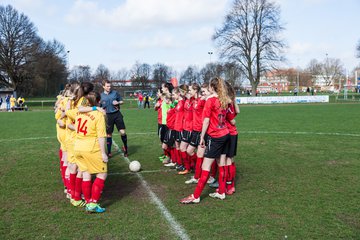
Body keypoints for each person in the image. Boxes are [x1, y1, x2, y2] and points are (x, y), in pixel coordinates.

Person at [180, 77, 230, 204]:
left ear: (212, 87)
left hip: (215, 136)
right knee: (221, 163)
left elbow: (206, 120)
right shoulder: (224, 99)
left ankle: (196, 196)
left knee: (205, 166)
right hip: (225, 134)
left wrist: (202, 137)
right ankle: (221, 192)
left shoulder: (211, 100)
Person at [70, 91, 108, 213]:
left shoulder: (80, 113)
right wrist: (103, 153)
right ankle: (93, 203)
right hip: (91, 148)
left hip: (78, 147)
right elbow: (101, 136)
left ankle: (87, 201)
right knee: (102, 174)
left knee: (86, 173)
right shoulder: (98, 115)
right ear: (97, 101)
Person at [100, 80, 128, 157]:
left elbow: (122, 101)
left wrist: (118, 103)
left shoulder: (115, 93)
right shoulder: (101, 96)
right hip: (108, 116)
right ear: (103, 86)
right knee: (109, 134)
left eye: (110, 86)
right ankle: (109, 152)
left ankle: (125, 147)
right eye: (107, 86)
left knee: (122, 132)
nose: (109, 87)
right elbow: (99, 107)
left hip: (117, 114)